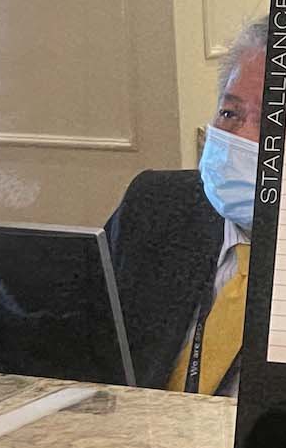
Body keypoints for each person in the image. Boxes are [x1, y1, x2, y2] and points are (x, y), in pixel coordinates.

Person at [105, 23, 265, 394]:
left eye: (268, 121)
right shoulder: (156, 205)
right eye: (230, 113)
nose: (239, 136)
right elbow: (77, 337)